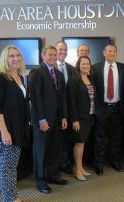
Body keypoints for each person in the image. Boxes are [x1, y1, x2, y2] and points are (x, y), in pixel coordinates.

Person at [0, 45, 29, 202]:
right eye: (11, 56)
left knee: (12, 166)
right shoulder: (0, 77)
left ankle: (12, 196)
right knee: (6, 167)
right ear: (5, 59)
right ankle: (9, 199)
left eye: (18, 55)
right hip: (6, 129)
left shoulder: (19, 76)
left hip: (18, 128)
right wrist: (5, 132)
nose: (16, 58)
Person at [29, 45, 68, 194]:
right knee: (41, 151)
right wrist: (41, 119)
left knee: (54, 150)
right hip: (43, 120)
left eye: (54, 54)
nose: (52, 57)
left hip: (57, 119)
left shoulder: (58, 73)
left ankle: (52, 176)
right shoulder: (37, 72)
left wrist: (64, 116)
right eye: (49, 55)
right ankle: (40, 181)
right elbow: (36, 97)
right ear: (42, 55)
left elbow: (62, 97)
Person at [92, 44, 124, 176]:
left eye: (114, 51)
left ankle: (116, 162)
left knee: (116, 138)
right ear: (104, 53)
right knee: (100, 138)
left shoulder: (123, 68)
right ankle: (99, 164)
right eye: (109, 51)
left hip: (117, 108)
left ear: (116, 53)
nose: (111, 53)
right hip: (102, 108)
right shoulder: (95, 68)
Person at [67, 56, 95, 181]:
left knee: (83, 143)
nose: (85, 66)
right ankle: (77, 170)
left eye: (87, 64)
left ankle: (81, 167)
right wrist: (74, 119)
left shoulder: (89, 79)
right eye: (83, 64)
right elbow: (71, 100)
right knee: (79, 143)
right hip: (79, 118)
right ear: (78, 65)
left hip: (89, 116)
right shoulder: (74, 80)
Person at [55, 41, 76, 175]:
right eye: (60, 49)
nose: (63, 52)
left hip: (68, 110)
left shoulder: (71, 68)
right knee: (56, 140)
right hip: (55, 111)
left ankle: (65, 163)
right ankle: (55, 165)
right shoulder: (50, 68)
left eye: (65, 50)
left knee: (67, 139)